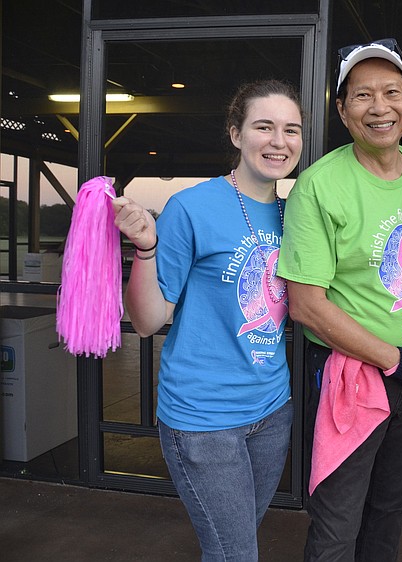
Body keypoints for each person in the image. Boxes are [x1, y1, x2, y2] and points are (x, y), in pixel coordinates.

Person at [112, 79, 303, 561]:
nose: (279, 141)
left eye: (291, 130)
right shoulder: (192, 208)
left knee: (230, 545)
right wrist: (146, 249)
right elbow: (148, 320)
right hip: (204, 420)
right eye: (264, 127)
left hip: (272, 409)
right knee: (236, 553)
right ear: (236, 134)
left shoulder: (296, 216)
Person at [278, 39, 402, 562]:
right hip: (352, 376)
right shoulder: (318, 186)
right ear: (342, 109)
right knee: (339, 519)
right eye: (363, 95)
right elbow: (305, 305)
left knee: (390, 507)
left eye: (392, 92)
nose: (380, 107)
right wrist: (395, 359)